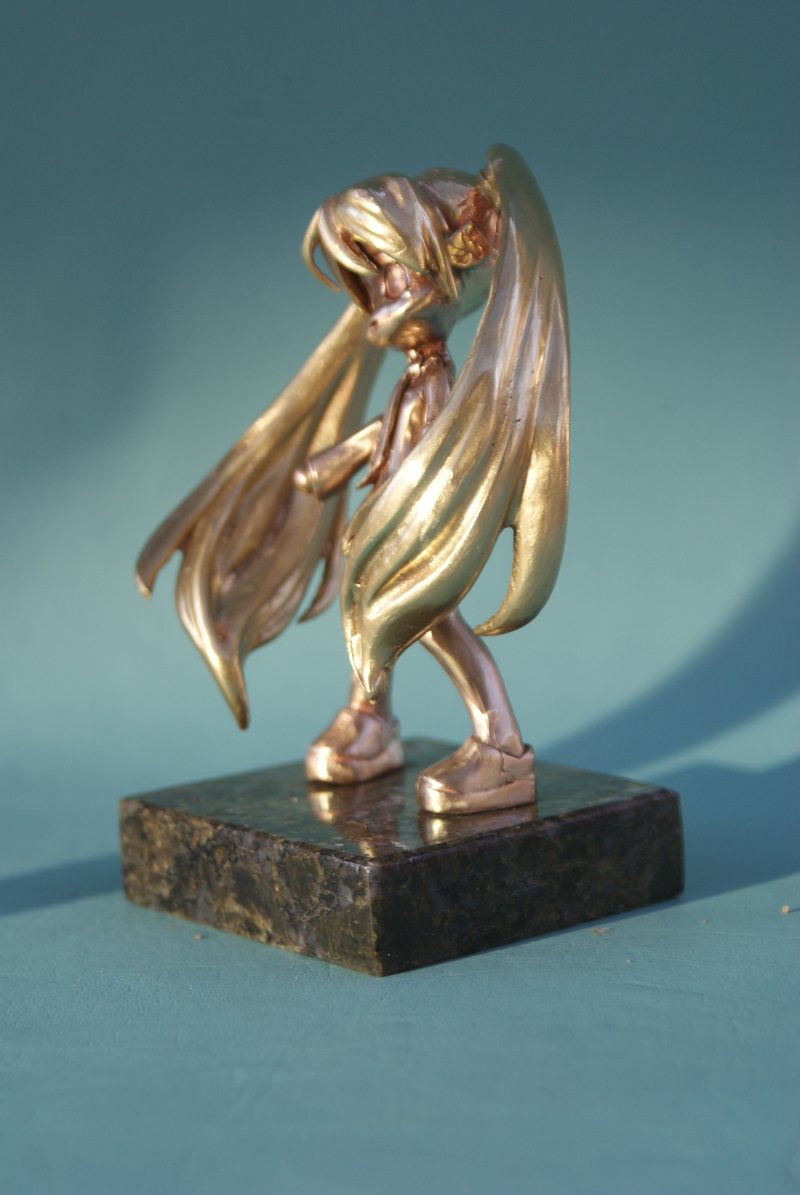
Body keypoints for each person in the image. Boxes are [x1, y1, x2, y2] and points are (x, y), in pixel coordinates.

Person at [136, 144, 569, 814]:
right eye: (369, 284)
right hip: (384, 525)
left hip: (416, 529)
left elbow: (426, 444)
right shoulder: (417, 377)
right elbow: (392, 433)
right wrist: (339, 459)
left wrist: (348, 458)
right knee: (366, 611)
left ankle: (502, 747)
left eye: (391, 275)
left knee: (431, 622)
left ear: (450, 267)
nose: (378, 300)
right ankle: (371, 721)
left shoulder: (443, 382)